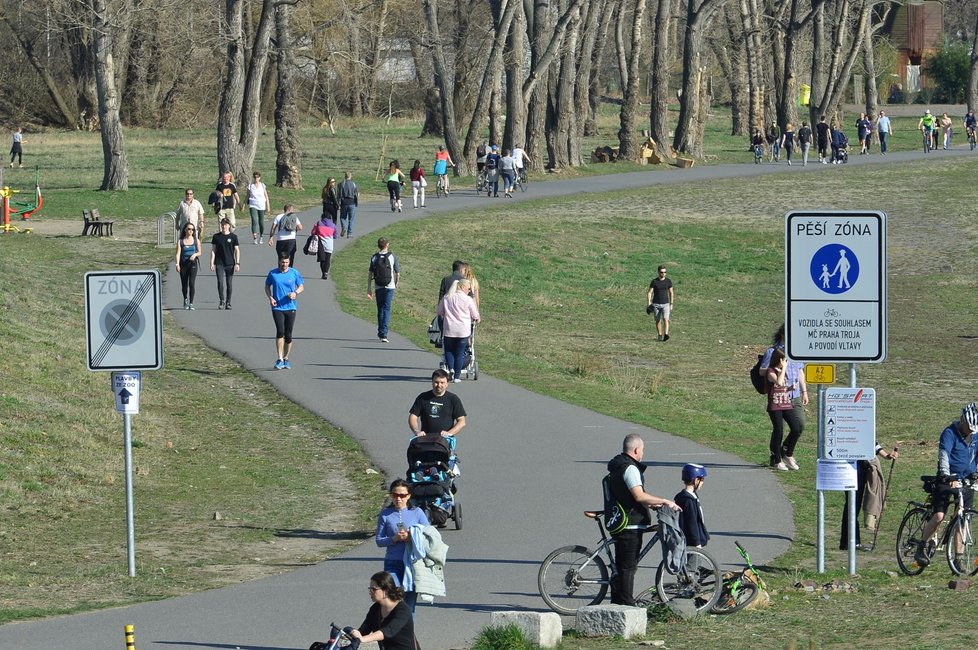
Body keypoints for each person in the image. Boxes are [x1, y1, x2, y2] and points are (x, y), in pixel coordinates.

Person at [606, 433, 680, 606]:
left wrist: (652, 504)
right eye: (643, 450)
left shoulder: (616, 466)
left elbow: (627, 496)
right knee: (628, 567)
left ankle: (617, 601)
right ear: (637, 449)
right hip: (630, 524)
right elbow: (639, 496)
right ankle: (626, 605)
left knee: (621, 566)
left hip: (620, 521)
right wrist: (664, 501)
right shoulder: (630, 468)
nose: (643, 454)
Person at [914, 403, 978, 568]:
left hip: (966, 481)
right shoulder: (949, 433)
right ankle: (921, 546)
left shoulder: (976, 435)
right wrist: (946, 475)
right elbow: (944, 455)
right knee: (939, 516)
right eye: (969, 427)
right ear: (962, 420)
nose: (970, 431)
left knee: (963, 518)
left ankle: (958, 559)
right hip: (947, 479)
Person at [373, 481, 430, 614]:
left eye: (402, 495)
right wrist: (394, 539)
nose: (398, 498)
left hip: (412, 564)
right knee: (394, 600)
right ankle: (392, 631)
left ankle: (408, 634)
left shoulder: (417, 512)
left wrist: (412, 537)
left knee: (409, 607)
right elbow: (379, 541)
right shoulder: (385, 514)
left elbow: (429, 535)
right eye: (394, 495)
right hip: (393, 563)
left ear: (409, 496)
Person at [839, 444, 898, 550]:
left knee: (854, 504)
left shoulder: (865, 427)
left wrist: (887, 455)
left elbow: (871, 441)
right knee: (852, 504)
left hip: (862, 465)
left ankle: (850, 541)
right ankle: (849, 542)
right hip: (849, 465)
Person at [351, 570, 417, 648]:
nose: (370, 592)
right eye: (370, 589)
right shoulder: (376, 608)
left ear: (386, 591)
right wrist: (350, 634)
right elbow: (365, 629)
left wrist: (363, 639)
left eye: (374, 589)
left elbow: (388, 631)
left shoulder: (403, 611)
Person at [763, 348, 805, 471]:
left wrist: (791, 388)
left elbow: (783, 387)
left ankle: (787, 453)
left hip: (786, 403)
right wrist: (784, 368)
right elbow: (779, 382)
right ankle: (777, 460)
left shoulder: (781, 370)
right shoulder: (771, 371)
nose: (785, 361)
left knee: (796, 428)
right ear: (778, 359)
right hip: (775, 405)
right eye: (784, 359)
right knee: (779, 430)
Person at [264, 252, 304, 370]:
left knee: (288, 334)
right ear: (279, 262)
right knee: (280, 331)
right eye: (282, 262)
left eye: (286, 262)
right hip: (277, 307)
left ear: (289, 262)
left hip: (291, 307)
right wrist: (270, 297)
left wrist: (295, 293)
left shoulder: (294, 273)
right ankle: (279, 358)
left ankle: (286, 358)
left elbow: (301, 286)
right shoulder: (273, 273)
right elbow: (267, 286)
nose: (284, 264)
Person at [438, 278, 480, 383]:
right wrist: (477, 318)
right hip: (463, 330)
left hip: (449, 329)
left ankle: (451, 368)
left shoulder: (447, 297)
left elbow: (440, 311)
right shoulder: (467, 299)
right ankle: (457, 376)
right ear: (462, 287)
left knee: (448, 350)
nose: (469, 291)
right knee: (460, 353)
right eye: (468, 288)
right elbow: (474, 314)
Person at [408, 369, 467, 438]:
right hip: (425, 439)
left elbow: (462, 421)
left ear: (447, 384)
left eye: (442, 382)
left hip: (444, 441)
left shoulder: (453, 399)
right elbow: (413, 417)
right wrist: (417, 431)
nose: (439, 385)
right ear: (432, 382)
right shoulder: (423, 397)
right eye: (436, 382)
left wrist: (449, 433)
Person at [367, 237, 400, 343]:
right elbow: (397, 272)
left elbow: (370, 273)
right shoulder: (392, 256)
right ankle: (384, 333)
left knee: (380, 309)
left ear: (378, 245)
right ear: (387, 245)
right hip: (389, 286)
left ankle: (381, 332)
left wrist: (369, 287)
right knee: (386, 309)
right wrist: (396, 283)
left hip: (378, 286)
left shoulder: (374, 257)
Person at [675, 464, 709, 548]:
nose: (702, 483)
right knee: (692, 561)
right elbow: (692, 522)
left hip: (691, 541)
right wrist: (697, 543)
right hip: (691, 543)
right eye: (702, 480)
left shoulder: (692, 496)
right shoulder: (688, 500)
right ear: (696, 480)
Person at [209, 217, 240, 310]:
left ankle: (228, 302)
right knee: (220, 282)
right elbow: (213, 250)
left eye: (226, 225)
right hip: (219, 263)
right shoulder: (216, 237)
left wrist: (237, 263)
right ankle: (221, 300)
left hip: (230, 263)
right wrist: (211, 262)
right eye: (222, 225)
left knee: (229, 283)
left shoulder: (233, 237)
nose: (224, 226)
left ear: (229, 226)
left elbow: (237, 250)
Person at [175, 222, 201, 310]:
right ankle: (185, 298)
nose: (191, 231)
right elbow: (178, 254)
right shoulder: (181, 241)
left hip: (193, 264)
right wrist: (177, 264)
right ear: (185, 230)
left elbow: (199, 252)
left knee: (192, 283)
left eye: (192, 229)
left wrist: (195, 255)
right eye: (189, 229)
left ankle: (191, 303)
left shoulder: (196, 240)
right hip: (183, 264)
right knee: (184, 284)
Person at [647, 265, 674, 341]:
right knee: (658, 320)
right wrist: (649, 303)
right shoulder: (654, 282)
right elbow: (649, 292)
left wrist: (671, 304)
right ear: (658, 272)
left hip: (666, 304)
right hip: (656, 304)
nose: (663, 274)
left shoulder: (668, 281)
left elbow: (671, 292)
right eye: (662, 272)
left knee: (666, 319)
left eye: (665, 272)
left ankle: (666, 334)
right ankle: (659, 335)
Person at [311, 211, 337, 279]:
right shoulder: (333, 225)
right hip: (329, 244)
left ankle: (323, 273)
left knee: (322, 260)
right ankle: (326, 272)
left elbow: (313, 232)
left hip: (320, 245)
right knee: (327, 260)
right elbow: (335, 235)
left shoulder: (318, 223)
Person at [246, 171, 270, 245]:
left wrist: (268, 206)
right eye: (255, 177)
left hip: (261, 205)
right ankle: (255, 238)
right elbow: (247, 196)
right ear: (253, 178)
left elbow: (266, 196)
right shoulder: (250, 186)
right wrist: (243, 204)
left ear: (260, 178)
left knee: (261, 222)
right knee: (254, 220)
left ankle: (261, 236)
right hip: (253, 205)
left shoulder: (262, 185)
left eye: (258, 177)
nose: (256, 179)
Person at [338, 171, 359, 238]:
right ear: (350, 176)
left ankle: (344, 226)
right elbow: (356, 193)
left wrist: (339, 203)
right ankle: (349, 233)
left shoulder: (341, 184)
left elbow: (339, 194)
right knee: (351, 219)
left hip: (344, 202)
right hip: (352, 202)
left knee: (342, 217)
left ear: (345, 176)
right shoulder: (353, 184)